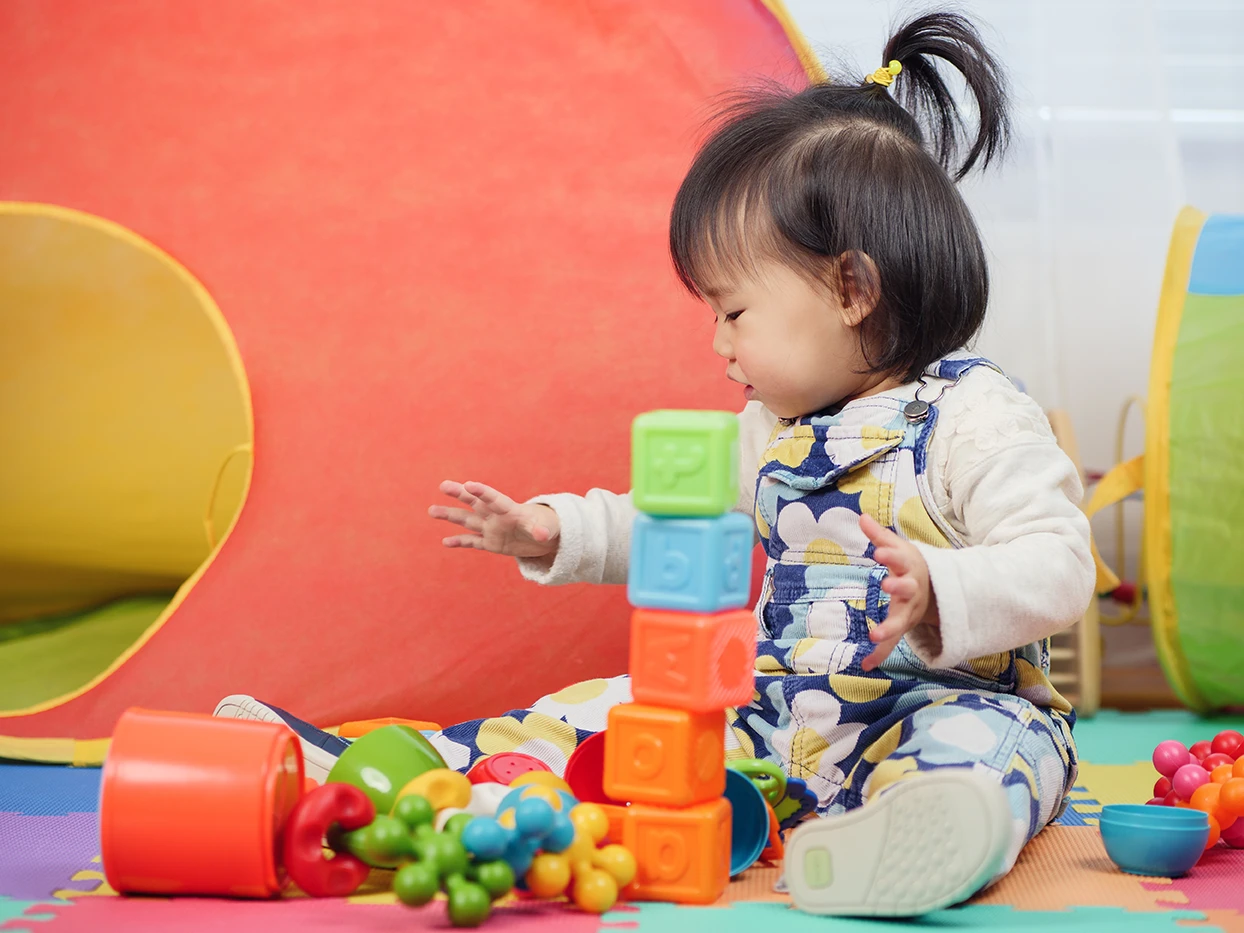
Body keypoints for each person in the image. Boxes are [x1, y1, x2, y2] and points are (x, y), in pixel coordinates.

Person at [220, 10, 1094, 917]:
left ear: (851, 289)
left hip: (932, 705)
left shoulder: (973, 417)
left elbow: (1061, 563)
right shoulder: (770, 428)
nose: (716, 341)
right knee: (615, 708)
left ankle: (924, 837)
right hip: (771, 716)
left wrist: (942, 587)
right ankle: (394, 772)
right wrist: (554, 527)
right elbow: (677, 528)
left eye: (734, 311)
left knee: (991, 754)